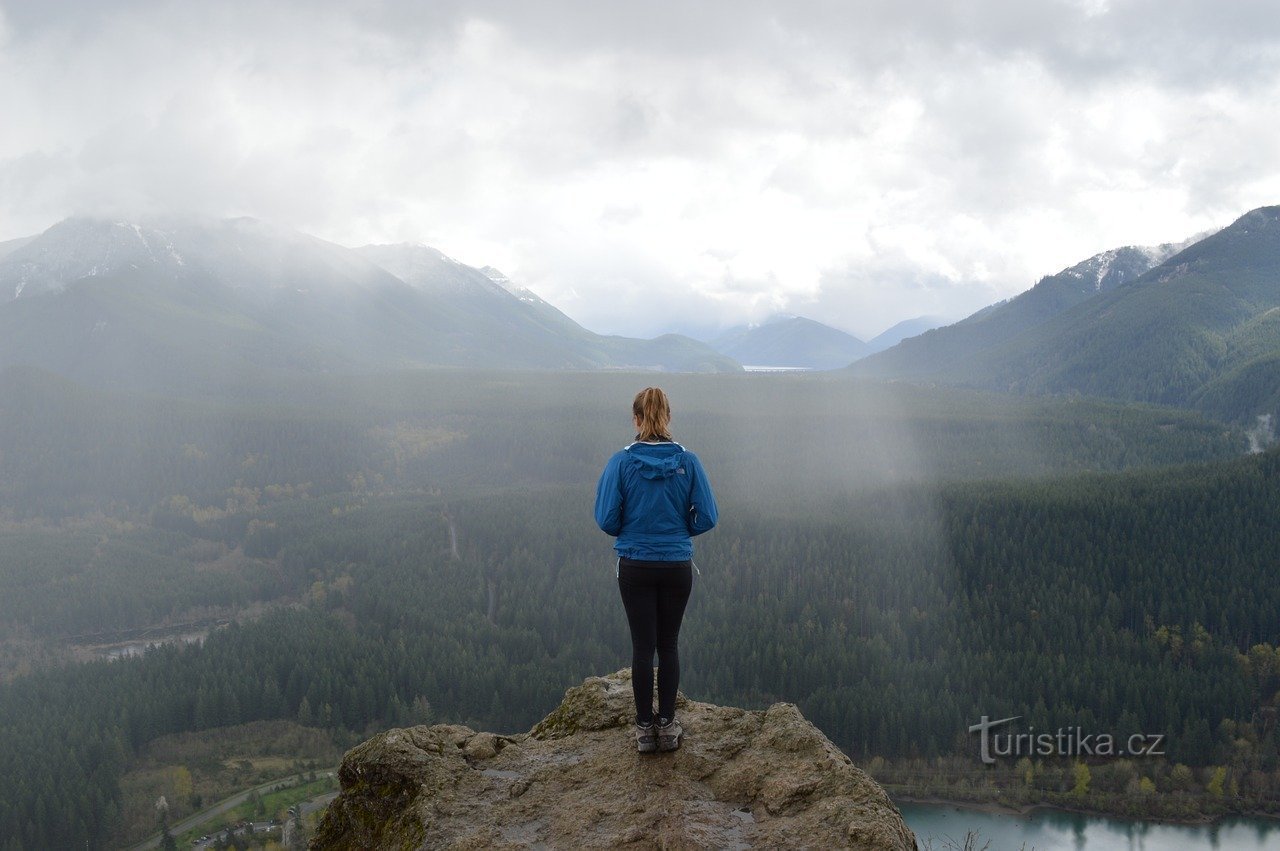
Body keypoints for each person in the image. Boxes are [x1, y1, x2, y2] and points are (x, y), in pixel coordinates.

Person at [594, 387, 718, 753]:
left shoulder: (621, 462)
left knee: (642, 647)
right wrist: (680, 532)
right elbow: (708, 516)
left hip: (635, 565)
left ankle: (644, 731)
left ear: (636, 419)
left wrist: (632, 532)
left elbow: (606, 518)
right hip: (676, 564)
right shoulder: (688, 461)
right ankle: (667, 724)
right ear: (668, 418)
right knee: (669, 644)